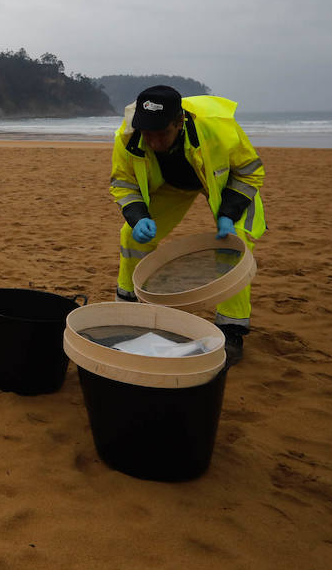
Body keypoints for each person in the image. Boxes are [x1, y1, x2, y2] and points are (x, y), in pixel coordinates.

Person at [110, 85, 266, 367]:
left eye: (162, 134)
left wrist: (228, 212)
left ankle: (231, 330)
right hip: (169, 186)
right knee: (130, 236)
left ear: (179, 122)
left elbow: (249, 171)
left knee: (236, 243)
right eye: (149, 134)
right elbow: (123, 182)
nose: (154, 142)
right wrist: (137, 216)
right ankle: (127, 306)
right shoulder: (129, 134)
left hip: (224, 183)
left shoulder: (217, 127)